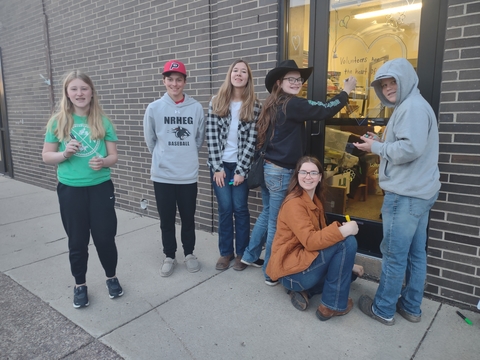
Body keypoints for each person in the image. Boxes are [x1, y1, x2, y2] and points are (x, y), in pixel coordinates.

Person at [240, 59, 357, 285]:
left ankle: (249, 255)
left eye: (298, 79)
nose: (296, 83)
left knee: (267, 214)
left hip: (268, 170)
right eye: (290, 79)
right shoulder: (292, 104)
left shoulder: (273, 103)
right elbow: (324, 110)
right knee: (275, 222)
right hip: (281, 173)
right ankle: (269, 272)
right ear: (279, 82)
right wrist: (345, 92)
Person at [353, 58, 441, 325]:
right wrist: (380, 142)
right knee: (415, 254)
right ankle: (411, 307)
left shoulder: (411, 107)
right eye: (384, 84)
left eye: (393, 82)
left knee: (393, 254)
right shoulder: (412, 104)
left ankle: (383, 308)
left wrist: (376, 149)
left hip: (405, 195)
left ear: (405, 80)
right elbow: (408, 145)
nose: (389, 88)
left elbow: (409, 149)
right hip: (420, 192)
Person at [42, 70, 123, 308]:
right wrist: (64, 153)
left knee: (105, 238)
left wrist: (104, 162)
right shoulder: (59, 122)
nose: (79, 93)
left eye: (84, 88)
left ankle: (111, 277)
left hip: (100, 188)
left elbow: (113, 156)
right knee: (77, 240)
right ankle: (80, 284)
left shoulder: (103, 121)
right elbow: (47, 155)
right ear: (67, 93)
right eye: (74, 89)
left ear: (91, 92)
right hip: (71, 190)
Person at [266, 156, 359, 321]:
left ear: (320, 177)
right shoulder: (294, 204)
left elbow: (324, 240)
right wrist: (345, 229)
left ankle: (305, 291)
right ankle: (331, 306)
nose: (308, 177)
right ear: (297, 175)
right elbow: (310, 241)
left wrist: (349, 263)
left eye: (313, 173)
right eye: (304, 172)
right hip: (291, 273)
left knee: (349, 273)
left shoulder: (314, 199)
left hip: (302, 266)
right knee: (348, 242)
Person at [143, 60, 206, 277]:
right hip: (163, 176)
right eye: (170, 79)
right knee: (166, 220)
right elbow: (150, 140)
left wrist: (184, 155)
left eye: (179, 79)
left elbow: (198, 139)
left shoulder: (196, 108)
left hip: (188, 175)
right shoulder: (154, 108)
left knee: (188, 219)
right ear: (164, 81)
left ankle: (189, 254)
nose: (174, 83)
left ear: (185, 82)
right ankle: (169, 255)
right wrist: (164, 157)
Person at [206, 59, 262, 271]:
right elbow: (211, 136)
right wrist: (218, 167)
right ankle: (225, 252)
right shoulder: (217, 101)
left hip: (241, 166)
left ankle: (242, 253)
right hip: (220, 165)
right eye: (235, 70)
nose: (239, 74)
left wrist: (241, 170)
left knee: (240, 208)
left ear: (248, 77)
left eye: (243, 72)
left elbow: (252, 141)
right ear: (230, 75)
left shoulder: (255, 105)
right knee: (225, 208)